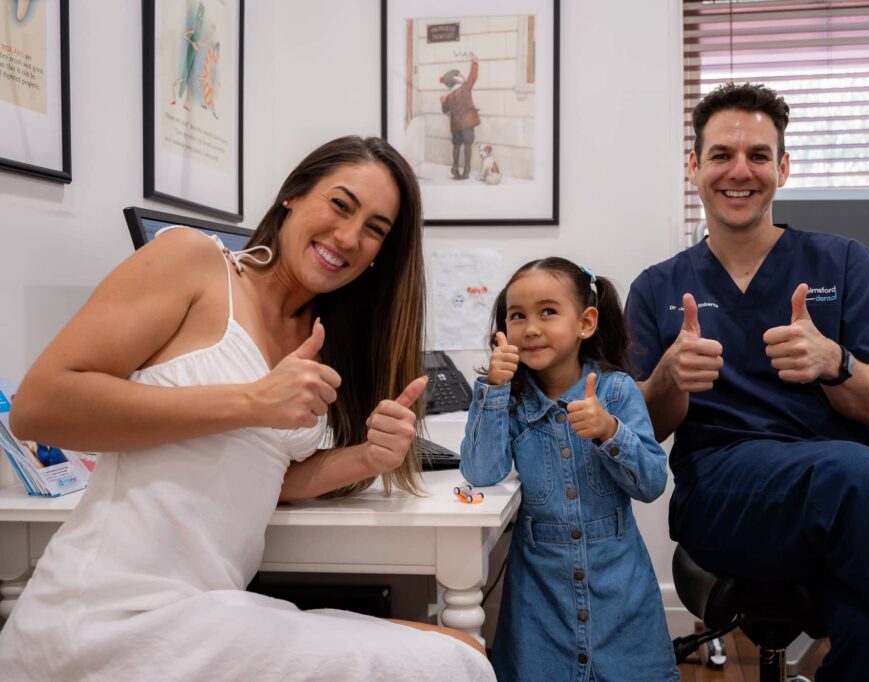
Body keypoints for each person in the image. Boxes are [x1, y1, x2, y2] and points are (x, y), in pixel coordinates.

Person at [0, 136, 495, 681]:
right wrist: (251, 401)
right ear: (292, 196)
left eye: (375, 229)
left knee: (462, 653)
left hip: (205, 614)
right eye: (340, 204)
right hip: (104, 617)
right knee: (455, 665)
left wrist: (368, 459)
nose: (349, 237)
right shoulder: (192, 261)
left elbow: (266, 474)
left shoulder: (321, 336)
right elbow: (38, 408)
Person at [625, 82, 869, 681]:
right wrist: (671, 378)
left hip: (851, 495)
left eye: (758, 155)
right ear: (695, 166)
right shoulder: (657, 287)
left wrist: (837, 364)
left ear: (782, 167)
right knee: (852, 476)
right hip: (726, 492)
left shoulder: (847, 262)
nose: (740, 171)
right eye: (722, 154)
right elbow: (641, 431)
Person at [460, 257, 678, 682]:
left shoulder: (616, 391)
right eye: (517, 316)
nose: (531, 328)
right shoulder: (512, 398)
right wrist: (493, 389)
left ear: (586, 322)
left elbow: (652, 482)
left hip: (619, 592)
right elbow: (482, 472)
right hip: (540, 600)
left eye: (548, 311)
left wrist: (610, 431)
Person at [440, 52, 481, 180]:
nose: (462, 75)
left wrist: (442, 102)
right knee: (468, 145)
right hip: (468, 124)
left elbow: (444, 109)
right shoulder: (465, 88)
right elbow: (473, 77)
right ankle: (467, 169)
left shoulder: (449, 97)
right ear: (457, 79)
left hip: (456, 126)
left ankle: (455, 168)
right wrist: (474, 62)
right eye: (460, 75)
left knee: (456, 146)